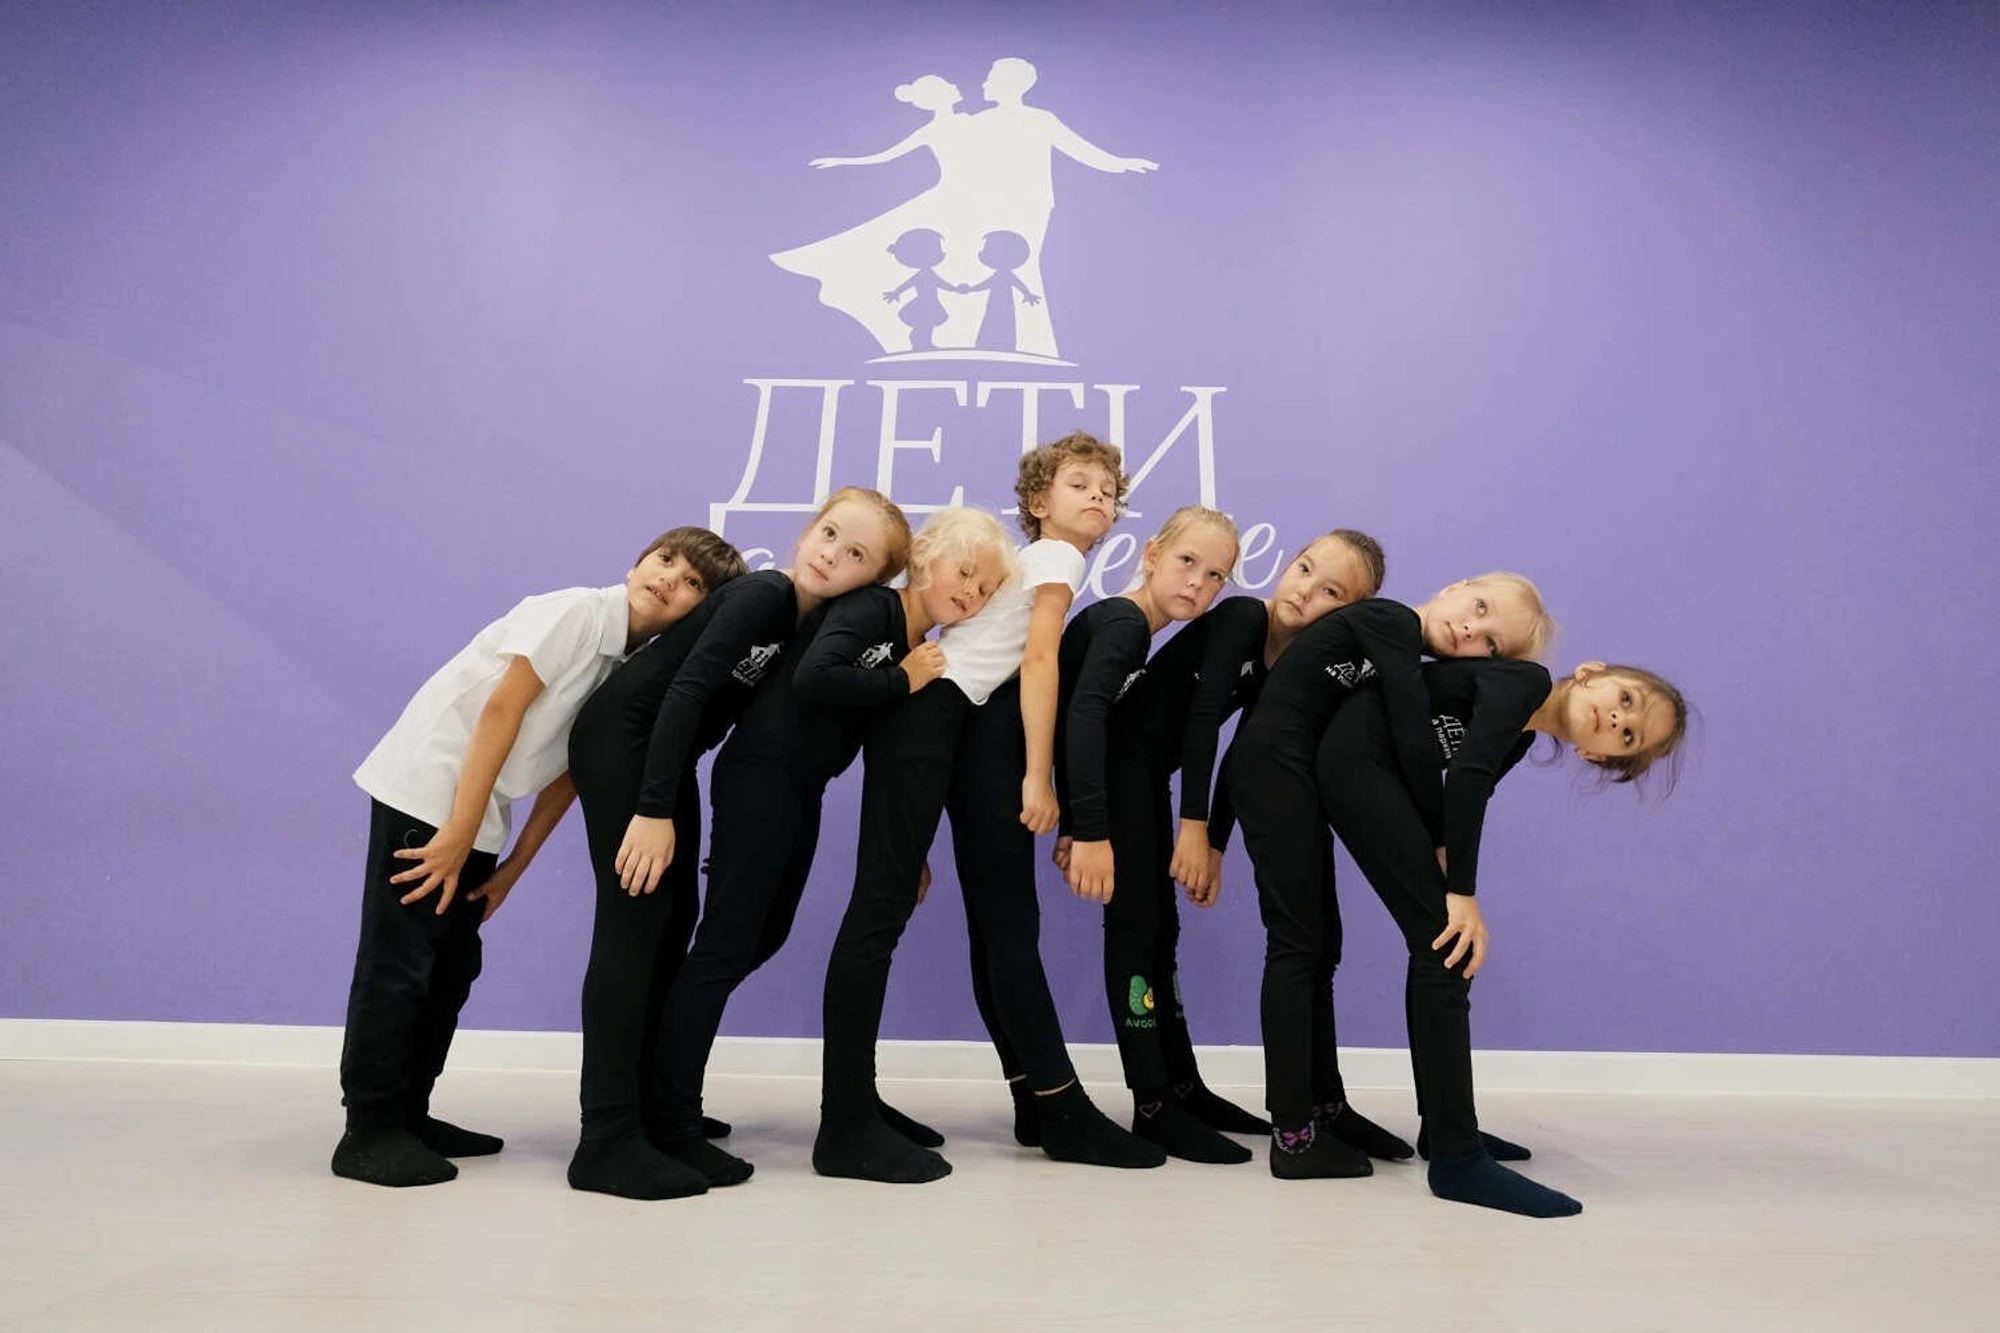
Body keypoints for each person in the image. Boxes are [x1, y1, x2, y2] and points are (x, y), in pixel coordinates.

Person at [335, 527, 735, 1188]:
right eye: (666, 559)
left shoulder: (628, 666)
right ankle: (369, 1129)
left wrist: (514, 866)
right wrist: (459, 831)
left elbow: (574, 773)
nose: (669, 578)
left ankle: (409, 1114)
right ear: (638, 561)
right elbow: (500, 710)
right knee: (401, 960)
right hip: (431, 785)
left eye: (692, 582)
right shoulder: (575, 613)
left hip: (476, 805)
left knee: (451, 965)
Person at [816, 432, 1164, 1183]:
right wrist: (1039, 775)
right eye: (1080, 484)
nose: (1098, 498)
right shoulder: (1057, 558)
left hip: (950, 724)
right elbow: (1037, 660)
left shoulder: (1030, 564)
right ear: (1038, 503)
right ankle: (846, 1123)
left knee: (982, 921)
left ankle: (1034, 1101)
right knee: (884, 913)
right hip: (937, 717)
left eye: (1108, 491)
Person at [565, 489, 907, 1199]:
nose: (830, 555)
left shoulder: (804, 624)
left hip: (668, 757)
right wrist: (653, 808)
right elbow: (686, 690)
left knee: (672, 929)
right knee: (634, 927)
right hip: (627, 743)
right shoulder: (765, 595)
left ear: (873, 581)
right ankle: (605, 1138)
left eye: (854, 554)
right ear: (806, 531)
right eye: (828, 533)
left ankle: (654, 1111)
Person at [1316, 657, 1688, 1217]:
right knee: (1446, 947)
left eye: (1628, 735)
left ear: (1596, 756)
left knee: (1445, 949)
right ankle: (1456, 1158)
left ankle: (1444, 1131)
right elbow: (1466, 776)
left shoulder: (1520, 734)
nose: (1616, 718)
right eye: (1627, 700)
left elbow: (1473, 788)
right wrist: (1461, 892)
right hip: (1353, 760)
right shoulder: (1524, 682)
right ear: (1591, 673)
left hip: (1373, 769)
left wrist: (1442, 853)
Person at [1223, 575, 1555, 1180]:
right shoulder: (1391, 622)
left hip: (1294, 774)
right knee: (1298, 946)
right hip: (1276, 772)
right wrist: (1436, 839)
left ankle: (1326, 1109)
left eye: (1490, 644)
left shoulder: (1400, 643)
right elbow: (1410, 729)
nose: (1470, 631)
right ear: (1456, 587)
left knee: (1320, 946)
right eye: (1479, 608)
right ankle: (1294, 1136)